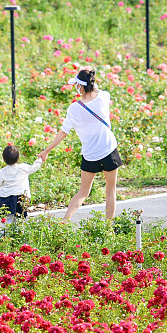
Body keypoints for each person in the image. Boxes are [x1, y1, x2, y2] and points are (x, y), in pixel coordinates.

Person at [38, 67, 123, 222]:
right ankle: (108, 228)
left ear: (81, 86)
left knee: (83, 192)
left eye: (77, 84)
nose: (76, 87)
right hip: (109, 150)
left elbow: (63, 132)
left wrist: (46, 151)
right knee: (111, 192)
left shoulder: (74, 108)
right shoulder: (104, 97)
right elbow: (97, 89)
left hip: (90, 155)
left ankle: (64, 222)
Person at [0, 144, 43, 222]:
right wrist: (40, 159)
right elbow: (34, 167)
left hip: (6, 198)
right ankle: (17, 232)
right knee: (20, 217)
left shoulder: (3, 172)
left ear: (4, 159)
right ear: (18, 158)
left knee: (8, 218)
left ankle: (7, 232)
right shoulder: (23, 168)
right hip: (21, 197)